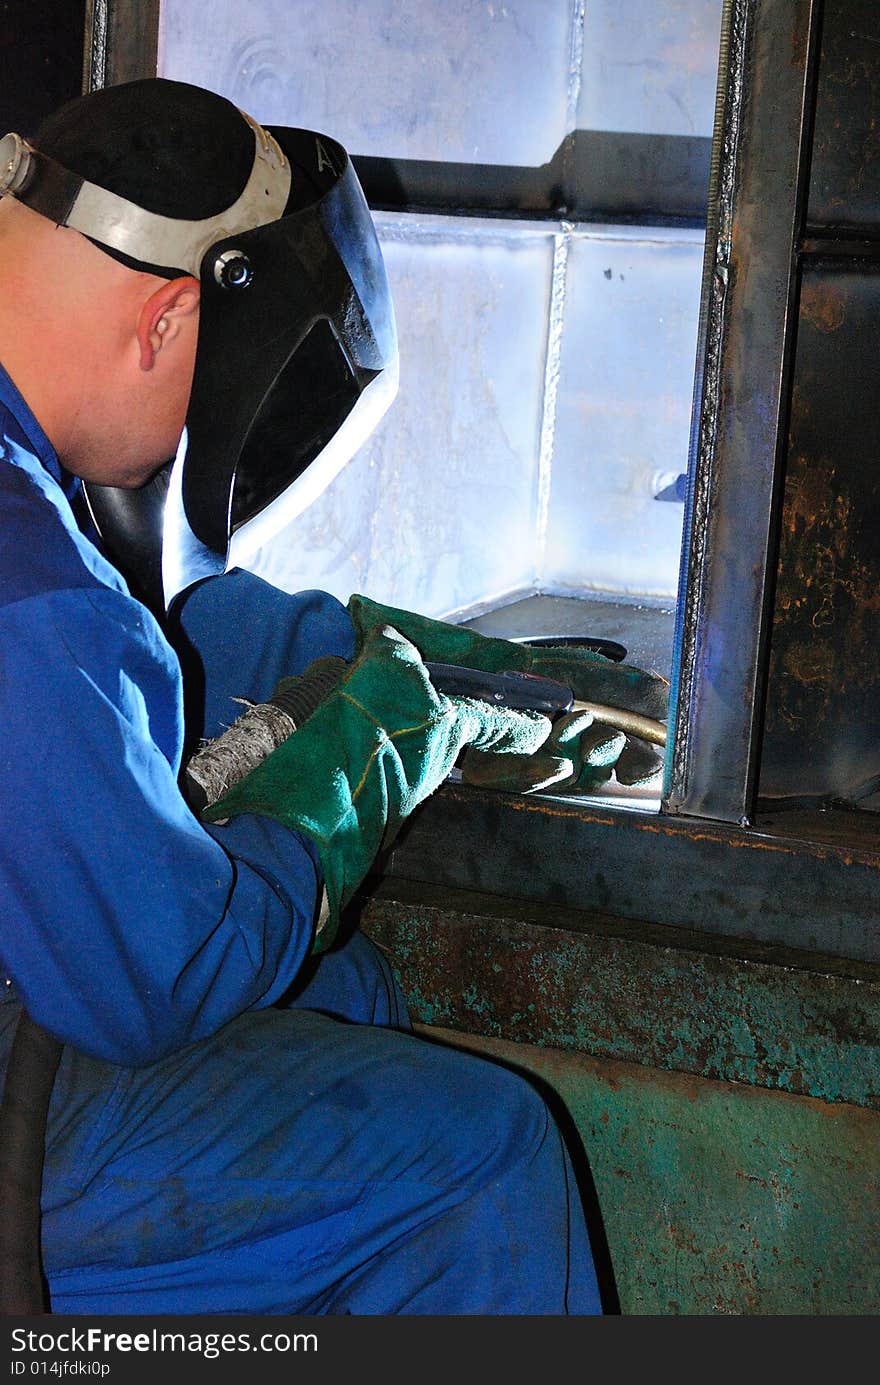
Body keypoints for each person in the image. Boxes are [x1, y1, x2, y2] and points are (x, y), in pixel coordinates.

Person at [0, 77, 667, 1315]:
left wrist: (373, 656)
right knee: (480, 1156)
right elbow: (153, 977)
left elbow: (141, 634)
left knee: (340, 995)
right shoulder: (21, 571)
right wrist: (336, 785)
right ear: (163, 323)